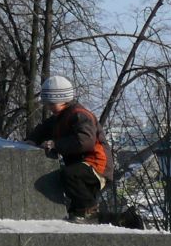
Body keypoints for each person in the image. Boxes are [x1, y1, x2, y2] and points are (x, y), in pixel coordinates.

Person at [26, 73, 112, 222]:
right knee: (74, 212)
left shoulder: (79, 115)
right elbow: (43, 129)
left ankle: (89, 211)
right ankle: (126, 220)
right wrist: (31, 140)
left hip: (97, 164)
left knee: (70, 175)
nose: (50, 107)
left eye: (52, 104)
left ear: (63, 100)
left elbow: (85, 141)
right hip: (84, 165)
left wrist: (56, 145)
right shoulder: (60, 118)